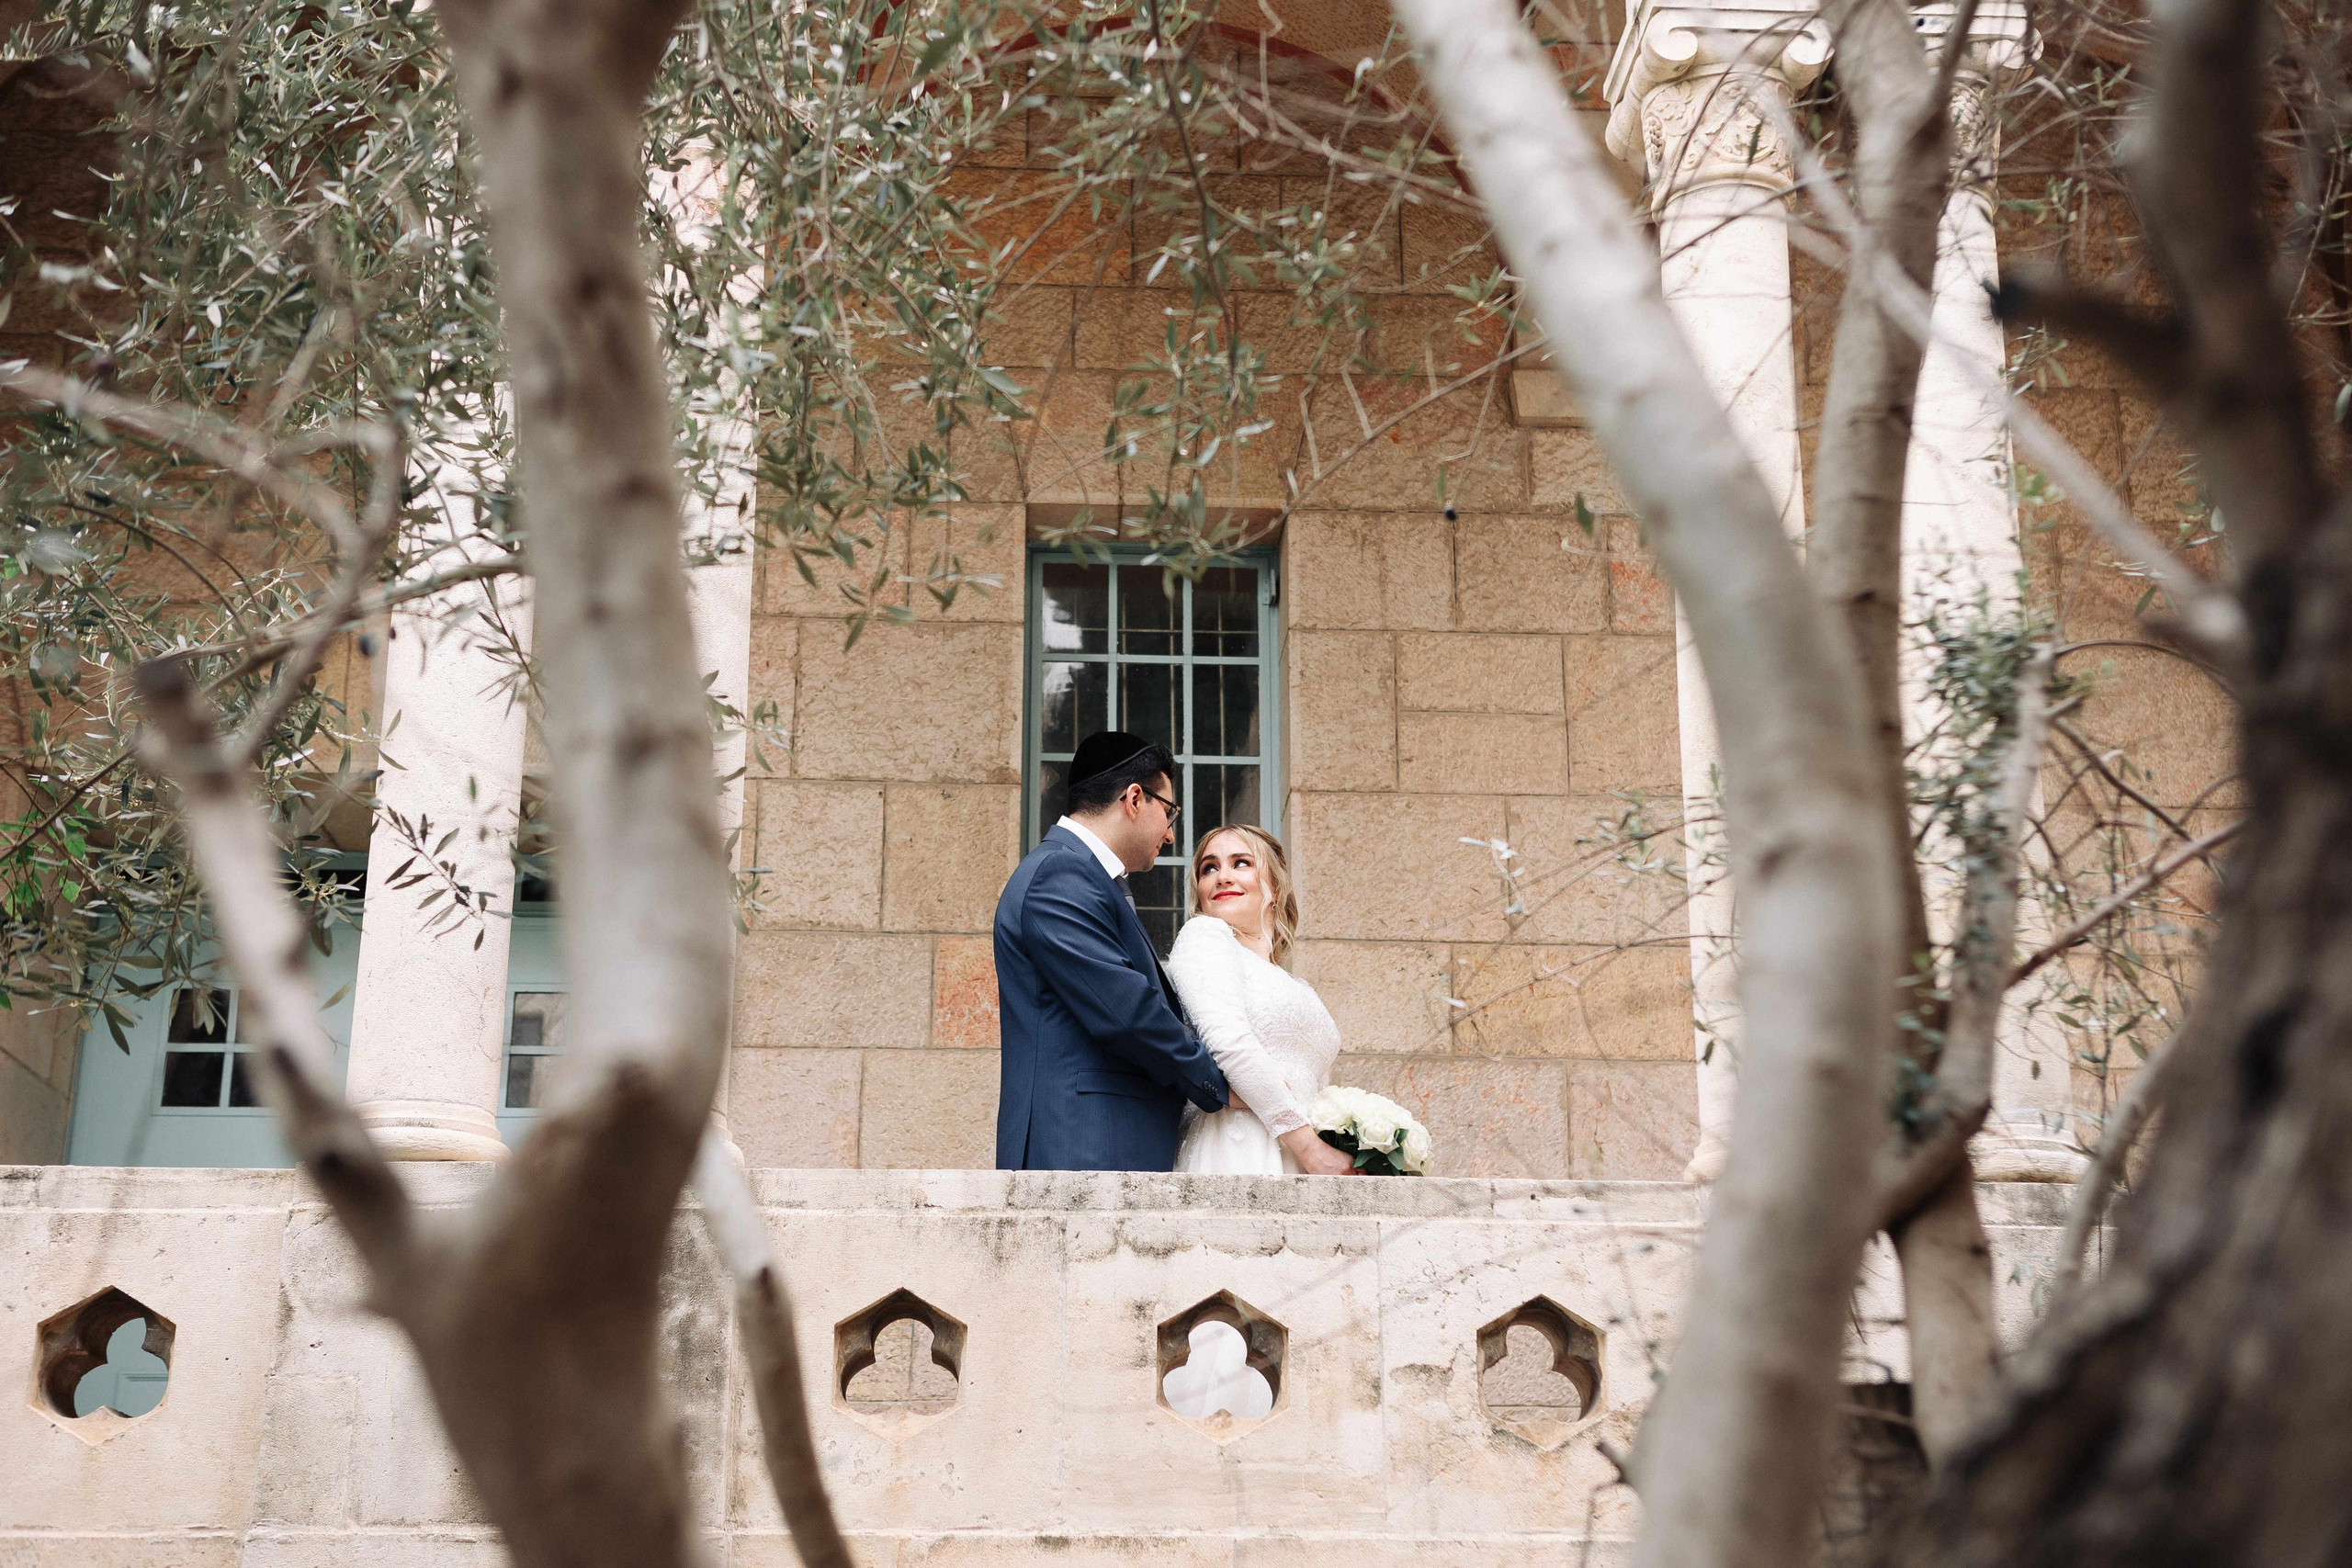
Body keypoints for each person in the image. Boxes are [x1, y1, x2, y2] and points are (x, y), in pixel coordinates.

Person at [993, 731, 1233, 1170]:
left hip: (1104, 1143)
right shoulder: (1058, 877)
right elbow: (1127, 1012)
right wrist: (1218, 1084)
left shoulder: (1082, 877)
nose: (1170, 836)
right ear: (1135, 799)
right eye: (1170, 812)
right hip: (1082, 1145)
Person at [1165, 824, 1356, 1176]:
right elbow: (1229, 1044)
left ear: (1276, 884)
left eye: (1241, 863)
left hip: (1302, 1155)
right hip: (1239, 1146)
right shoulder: (1205, 936)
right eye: (1209, 868)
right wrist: (1310, 1148)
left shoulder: (1296, 984)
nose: (1222, 877)